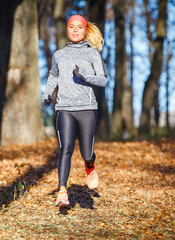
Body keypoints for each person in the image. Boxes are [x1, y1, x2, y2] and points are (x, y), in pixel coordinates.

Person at [42, 14, 107, 208]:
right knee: (65, 149)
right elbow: (53, 76)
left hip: (87, 108)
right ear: (67, 29)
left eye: (79, 27)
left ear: (85, 30)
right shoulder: (59, 54)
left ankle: (90, 165)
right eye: (72, 27)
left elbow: (103, 80)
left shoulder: (92, 54)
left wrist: (84, 75)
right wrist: (46, 94)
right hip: (64, 109)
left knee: (87, 152)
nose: (75, 30)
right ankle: (62, 191)